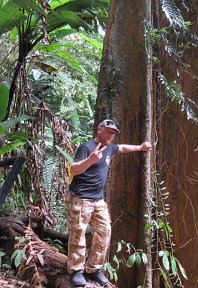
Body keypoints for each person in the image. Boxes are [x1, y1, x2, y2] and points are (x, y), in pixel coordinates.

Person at [66, 119, 152, 287]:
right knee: (78, 234)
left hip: (98, 200)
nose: (112, 135)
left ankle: (93, 269)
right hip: (80, 199)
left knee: (104, 233)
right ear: (99, 130)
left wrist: (140, 147)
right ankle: (76, 270)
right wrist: (91, 159)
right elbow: (73, 169)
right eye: (109, 131)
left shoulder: (110, 148)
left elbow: (123, 148)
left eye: (114, 133)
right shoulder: (87, 147)